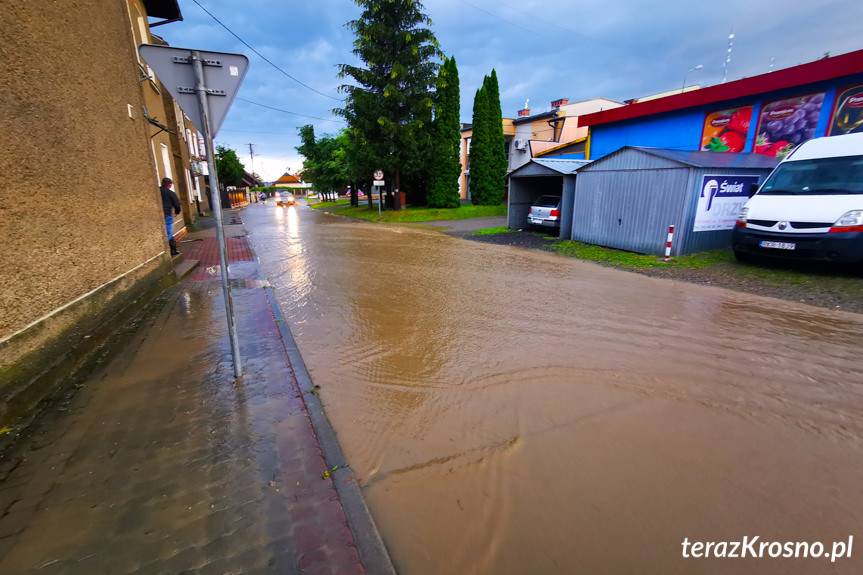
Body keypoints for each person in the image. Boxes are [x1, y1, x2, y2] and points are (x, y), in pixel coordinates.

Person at [160, 177, 181, 256]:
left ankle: (173, 251)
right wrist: (177, 212)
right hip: (167, 215)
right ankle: (167, 251)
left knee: (167, 233)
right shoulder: (171, 193)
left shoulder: (158, 191)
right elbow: (177, 205)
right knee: (169, 233)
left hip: (159, 216)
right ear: (169, 185)